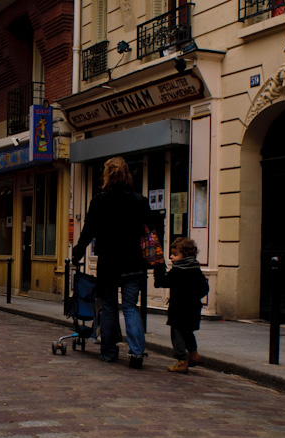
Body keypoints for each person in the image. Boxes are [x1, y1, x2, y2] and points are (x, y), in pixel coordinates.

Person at [71, 157, 151, 367]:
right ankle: (137, 353)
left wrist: (77, 254)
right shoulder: (139, 201)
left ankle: (108, 351)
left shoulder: (99, 201)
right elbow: (152, 234)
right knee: (131, 307)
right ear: (127, 175)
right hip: (133, 263)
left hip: (109, 264)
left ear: (106, 175)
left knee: (108, 307)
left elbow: (88, 231)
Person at [153, 237, 209, 374]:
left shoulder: (177, 271)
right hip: (193, 308)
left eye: (175, 254)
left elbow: (161, 282)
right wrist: (194, 298)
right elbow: (204, 289)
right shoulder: (196, 269)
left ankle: (182, 360)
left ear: (186, 255)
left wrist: (158, 267)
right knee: (187, 332)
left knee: (177, 333)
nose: (171, 257)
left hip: (178, 309)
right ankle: (194, 354)